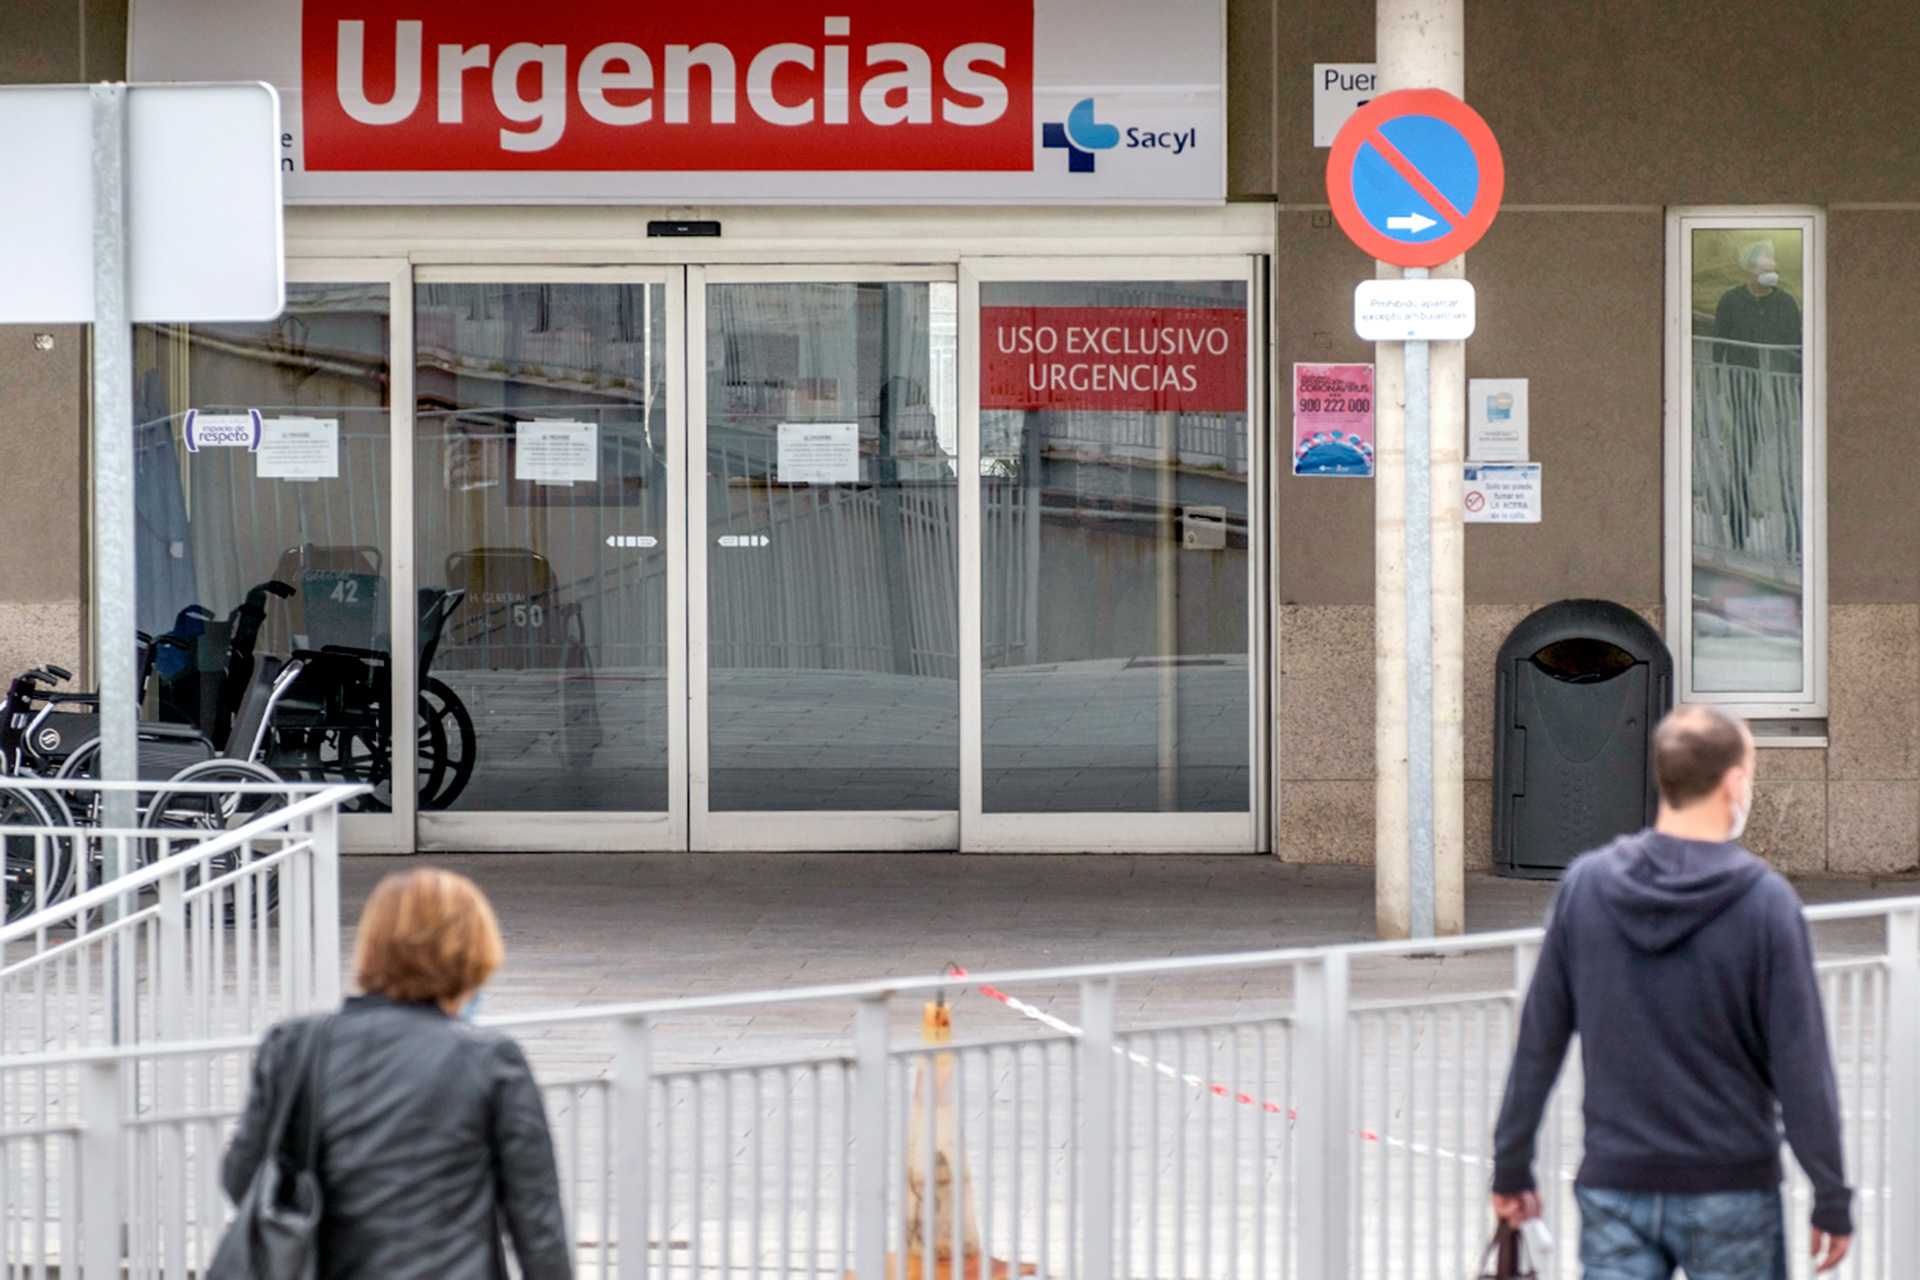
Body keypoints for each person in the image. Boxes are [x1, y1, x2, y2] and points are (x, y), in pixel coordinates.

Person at [1489, 705, 1851, 1278]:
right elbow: (1802, 1068)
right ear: (1735, 783)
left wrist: (1510, 1167)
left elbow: (1539, 1043)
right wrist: (1832, 1196)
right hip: (1733, 1183)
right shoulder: (1766, 903)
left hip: (1615, 1183)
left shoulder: (1586, 886)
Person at [222, 868, 573, 1279]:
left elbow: (240, 1176)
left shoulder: (294, 1044)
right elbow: (537, 1220)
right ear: (472, 953)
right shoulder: (491, 1060)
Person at [1711, 239, 1802, 371]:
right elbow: (1720, 336)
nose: (1769, 274)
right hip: (1741, 376)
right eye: (1764, 271)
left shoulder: (1786, 302)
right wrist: (1716, 370)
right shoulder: (1731, 299)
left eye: (1771, 271)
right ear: (1750, 269)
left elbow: (1795, 341)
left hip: (1776, 378)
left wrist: (1796, 377)